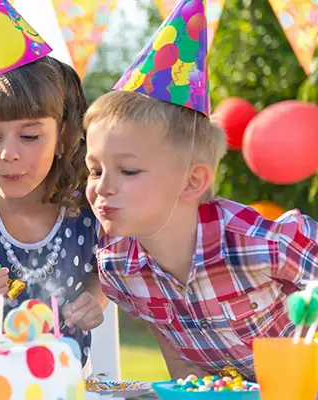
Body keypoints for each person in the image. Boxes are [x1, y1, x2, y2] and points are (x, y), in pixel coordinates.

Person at [83, 0, 318, 381]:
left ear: (192, 181)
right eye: (94, 170)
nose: (103, 187)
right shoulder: (119, 270)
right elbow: (183, 367)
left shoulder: (264, 244)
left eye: (127, 170)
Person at [0, 0, 107, 367]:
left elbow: (106, 276)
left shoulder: (86, 211)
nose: (9, 155)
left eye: (30, 137)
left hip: (66, 387)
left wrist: (95, 298)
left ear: (61, 136)